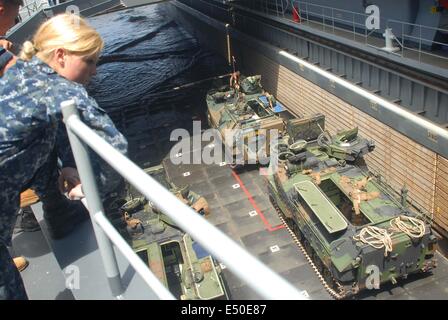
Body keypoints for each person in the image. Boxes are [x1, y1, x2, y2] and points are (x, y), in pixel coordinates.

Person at [0, 14, 128, 300]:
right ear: (61, 55)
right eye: (90, 61)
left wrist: (69, 163)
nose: (95, 71)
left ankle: (58, 215)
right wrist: (92, 186)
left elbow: (48, 126)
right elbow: (115, 145)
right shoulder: (61, 89)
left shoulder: (22, 70)